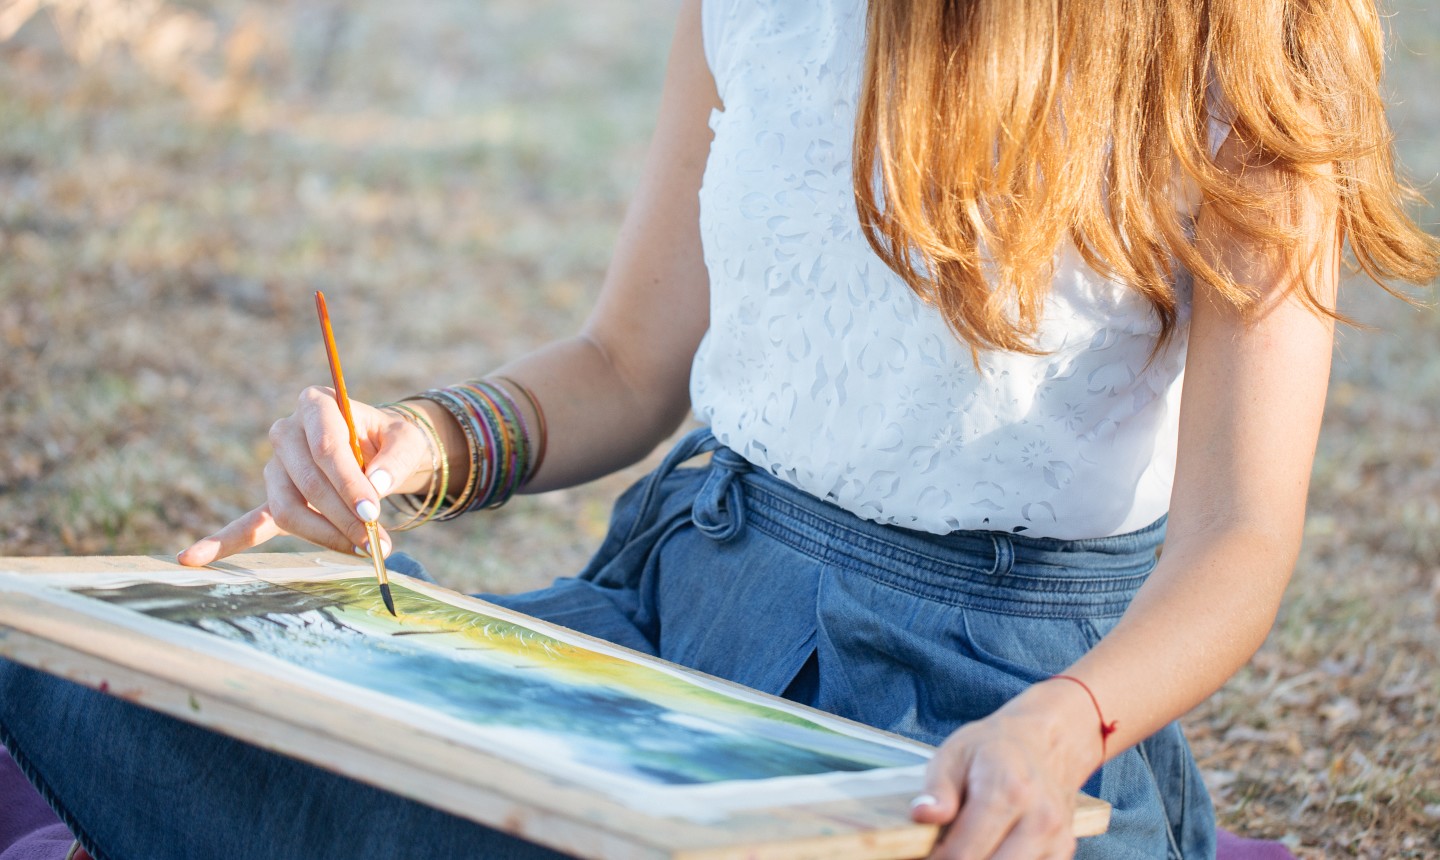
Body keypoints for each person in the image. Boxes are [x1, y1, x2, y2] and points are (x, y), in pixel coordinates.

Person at [2, 1, 1436, 858]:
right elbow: (630, 361)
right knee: (148, 703)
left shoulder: (1247, 35)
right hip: (678, 618)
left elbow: (1244, 540)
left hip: (984, 703)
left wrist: (1064, 728)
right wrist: (423, 442)